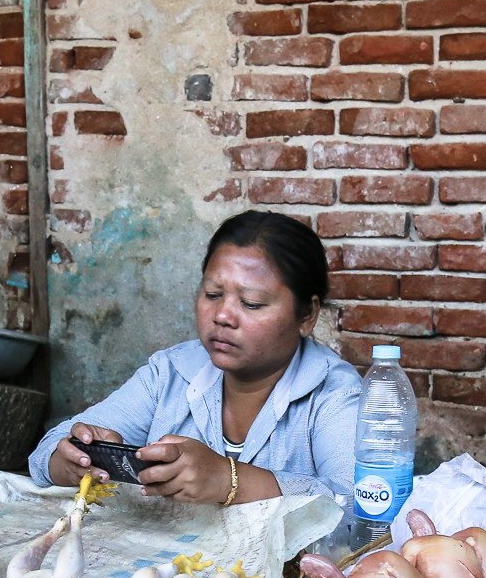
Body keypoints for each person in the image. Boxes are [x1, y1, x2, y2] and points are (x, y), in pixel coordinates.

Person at [29, 210, 361, 503]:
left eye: (252, 304)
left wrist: (230, 480)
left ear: (307, 316)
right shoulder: (170, 372)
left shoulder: (335, 393)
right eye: (212, 294)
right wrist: (73, 460)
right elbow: (47, 451)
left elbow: (358, 507)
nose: (223, 316)